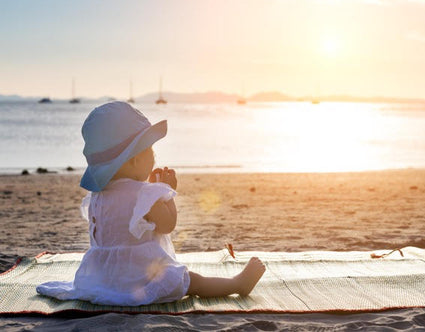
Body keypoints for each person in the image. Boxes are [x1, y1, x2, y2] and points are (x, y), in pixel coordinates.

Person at [36, 101, 265, 306]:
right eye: (150, 151)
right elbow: (167, 224)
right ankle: (237, 284)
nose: (154, 156)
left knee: (181, 279)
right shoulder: (143, 194)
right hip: (138, 276)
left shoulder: (97, 196)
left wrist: (156, 192)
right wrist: (167, 192)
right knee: (191, 281)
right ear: (135, 159)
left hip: (104, 277)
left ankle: (236, 283)